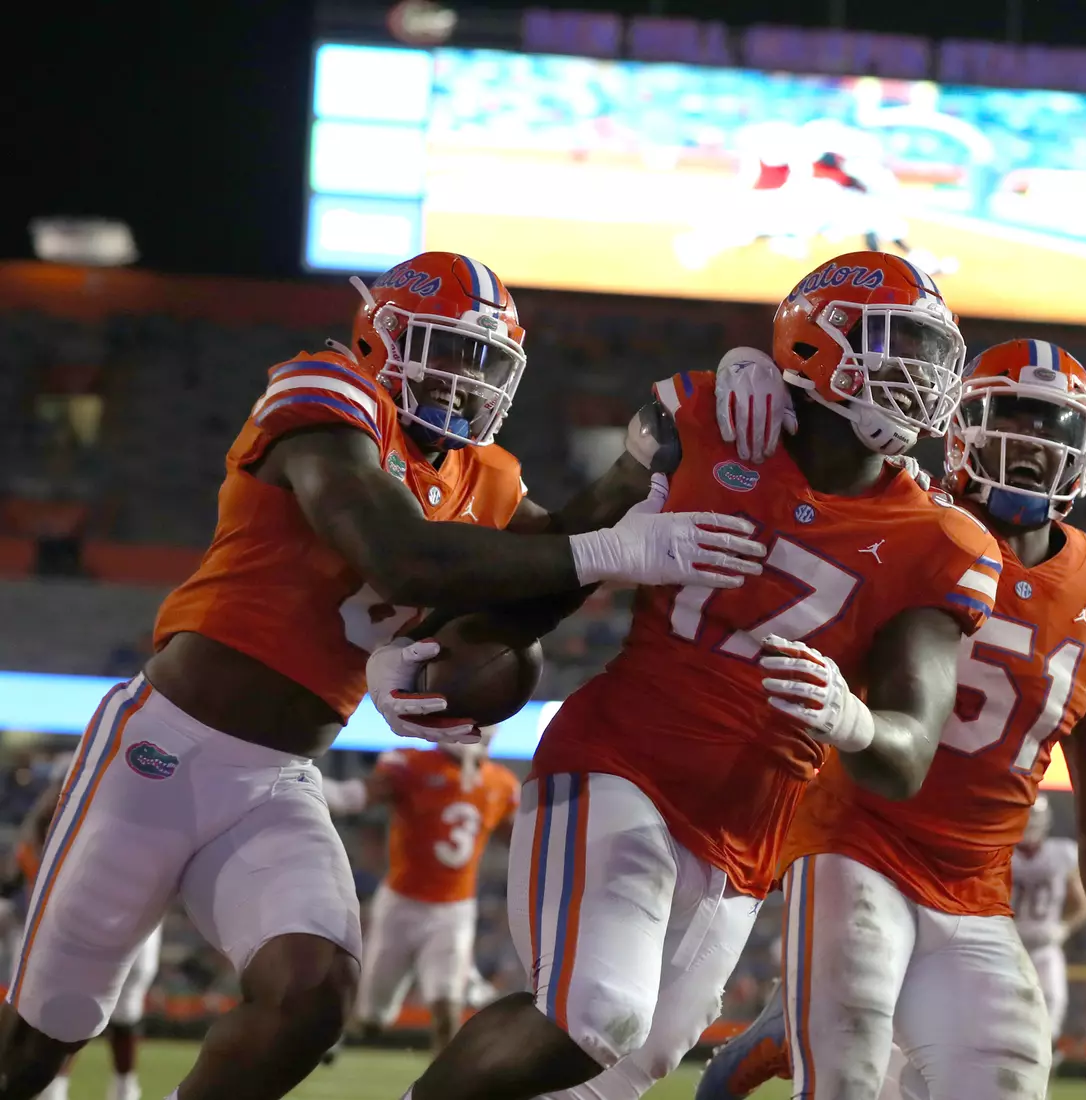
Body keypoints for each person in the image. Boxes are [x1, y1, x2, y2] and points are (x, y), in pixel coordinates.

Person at [0, 251, 765, 1100]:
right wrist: (612, 549)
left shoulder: (487, 475)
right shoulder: (325, 398)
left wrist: (639, 467)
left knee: (313, 992)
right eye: (443, 350)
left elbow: (538, 578)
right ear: (380, 337)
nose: (465, 381)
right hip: (160, 752)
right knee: (41, 1037)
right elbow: (400, 556)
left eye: (483, 362)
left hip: (277, 777)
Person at [398, 250, 1003, 1100]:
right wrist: (446, 646)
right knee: (594, 1014)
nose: (919, 375)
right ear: (812, 346)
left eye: (930, 352)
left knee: (612, 1077)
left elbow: (906, 754)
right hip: (622, 763)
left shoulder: (940, 541)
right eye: (894, 343)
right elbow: (558, 563)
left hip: (749, 834)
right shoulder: (702, 421)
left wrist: (852, 719)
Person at [698, 338, 1086, 1100]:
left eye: (1055, 428)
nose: (1033, 445)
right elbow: (794, 488)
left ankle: (783, 1029)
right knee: (846, 1071)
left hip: (976, 884)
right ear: (960, 423)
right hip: (853, 835)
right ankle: (783, 1035)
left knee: (1004, 1082)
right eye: (1012, 415)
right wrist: (755, 387)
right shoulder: (901, 516)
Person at [322, 732, 520, 1054]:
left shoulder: (502, 784)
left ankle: (446, 1088)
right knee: (373, 1018)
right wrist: (298, 779)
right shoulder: (413, 764)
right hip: (401, 904)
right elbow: (353, 797)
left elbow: (522, 841)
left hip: (454, 910)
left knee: (446, 1008)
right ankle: (333, 1035)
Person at [9, 776, 162, 1100]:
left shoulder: (154, 797)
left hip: (134, 913)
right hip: (85, 909)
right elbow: (41, 826)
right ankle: (57, 1089)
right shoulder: (80, 784)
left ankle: (123, 1088)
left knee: (124, 1012)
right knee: (67, 1005)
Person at [1010, 794, 1086, 1054]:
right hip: (1005, 940)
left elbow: (1081, 904)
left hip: (1045, 944)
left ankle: (1039, 1063)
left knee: (1052, 1004)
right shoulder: (1000, 850)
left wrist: (1064, 928)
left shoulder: (1062, 853)